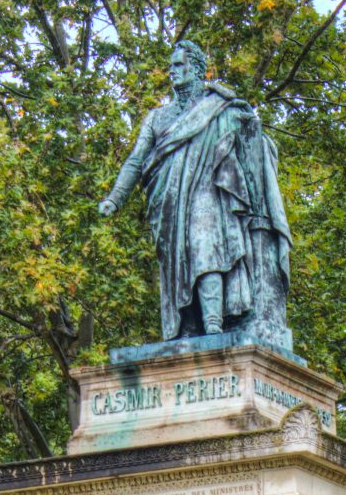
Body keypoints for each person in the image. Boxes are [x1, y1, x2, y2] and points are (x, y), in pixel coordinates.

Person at [98, 41, 291, 345]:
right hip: (168, 204)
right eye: (171, 66)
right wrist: (115, 197)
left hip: (207, 190)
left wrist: (247, 125)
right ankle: (188, 326)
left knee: (206, 247)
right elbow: (136, 160)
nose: (171, 72)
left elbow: (252, 139)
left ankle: (213, 322)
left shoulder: (219, 107)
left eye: (178, 65)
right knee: (178, 265)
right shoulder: (157, 118)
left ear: (197, 69)